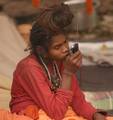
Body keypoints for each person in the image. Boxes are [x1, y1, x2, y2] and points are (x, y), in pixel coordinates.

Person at [9, 3, 112, 120]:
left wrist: (94, 115)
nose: (65, 49)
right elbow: (56, 113)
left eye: (65, 42)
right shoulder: (29, 68)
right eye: (57, 47)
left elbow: (77, 99)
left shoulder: (60, 61)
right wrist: (68, 73)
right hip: (30, 113)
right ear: (41, 50)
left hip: (56, 109)